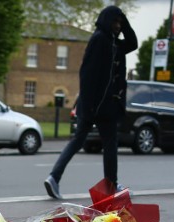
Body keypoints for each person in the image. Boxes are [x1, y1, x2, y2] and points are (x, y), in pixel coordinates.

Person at [44, 5, 137, 199]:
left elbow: (133, 43)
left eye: (120, 23)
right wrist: (90, 106)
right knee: (106, 145)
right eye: (115, 21)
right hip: (98, 106)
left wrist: (125, 20)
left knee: (86, 142)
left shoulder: (114, 43)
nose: (118, 26)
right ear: (106, 21)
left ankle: (55, 177)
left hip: (102, 106)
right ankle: (109, 186)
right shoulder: (100, 39)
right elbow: (87, 75)